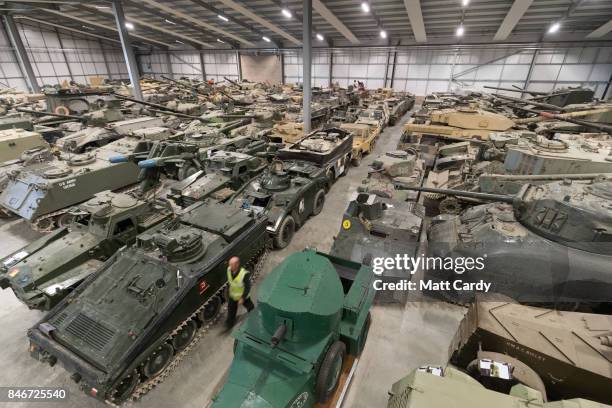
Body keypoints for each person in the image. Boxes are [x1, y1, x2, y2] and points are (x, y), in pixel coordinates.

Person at [225, 256, 254, 328]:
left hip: (242, 296)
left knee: (250, 307)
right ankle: (230, 323)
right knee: (231, 310)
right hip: (233, 295)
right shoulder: (229, 270)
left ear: (237, 265)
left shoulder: (244, 274)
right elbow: (230, 281)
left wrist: (243, 298)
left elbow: (248, 287)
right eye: (230, 264)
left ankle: (254, 317)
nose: (230, 266)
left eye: (232, 264)